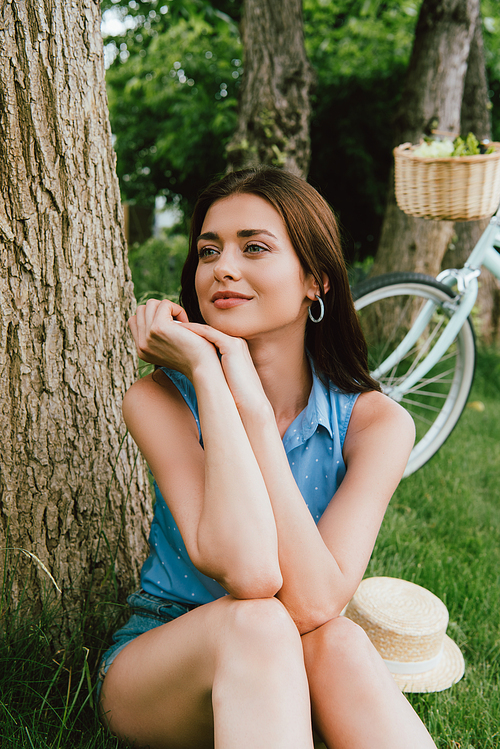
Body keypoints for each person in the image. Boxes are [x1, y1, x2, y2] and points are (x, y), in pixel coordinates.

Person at [99, 167, 437, 749]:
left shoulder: (377, 424)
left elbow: (312, 604)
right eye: (209, 251)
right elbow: (251, 573)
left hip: (300, 657)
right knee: (256, 624)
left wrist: (250, 407)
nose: (222, 267)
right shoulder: (160, 400)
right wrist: (208, 372)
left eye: (254, 247)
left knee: (341, 640)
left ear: (316, 280)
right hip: (167, 660)